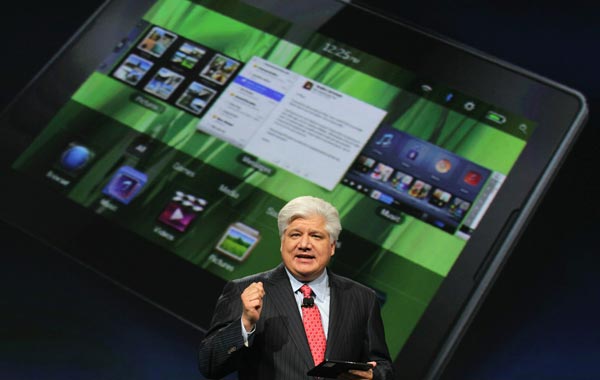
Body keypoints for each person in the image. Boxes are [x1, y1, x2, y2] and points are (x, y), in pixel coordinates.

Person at [198, 196, 394, 379]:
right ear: (283, 243)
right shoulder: (243, 291)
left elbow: (383, 365)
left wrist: (373, 376)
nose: (304, 244)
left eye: (316, 236)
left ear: (332, 246)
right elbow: (209, 365)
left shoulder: (362, 298)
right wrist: (245, 323)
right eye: (295, 234)